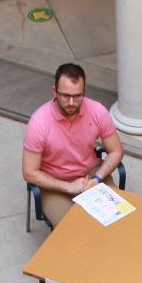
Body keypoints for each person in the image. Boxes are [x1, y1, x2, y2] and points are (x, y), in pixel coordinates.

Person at [23, 63, 125, 225]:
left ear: (84, 92)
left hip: (91, 174)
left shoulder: (97, 111)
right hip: (55, 183)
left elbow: (116, 151)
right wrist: (68, 187)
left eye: (77, 96)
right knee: (72, 231)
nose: (71, 102)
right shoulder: (39, 122)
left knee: (117, 220)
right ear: (54, 91)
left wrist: (97, 178)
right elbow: (29, 172)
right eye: (65, 95)